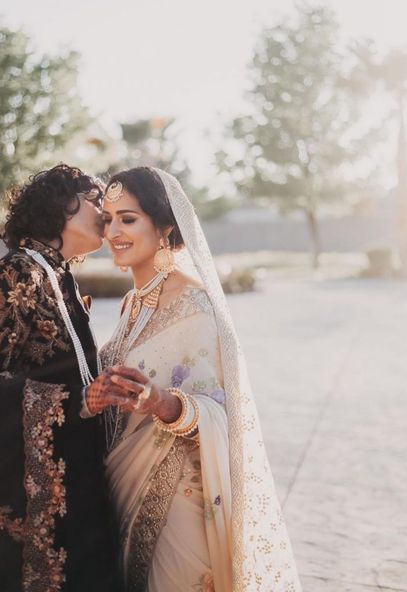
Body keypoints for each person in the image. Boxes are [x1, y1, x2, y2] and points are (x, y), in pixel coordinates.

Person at [99, 167, 302, 592]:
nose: (113, 230)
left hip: (178, 500)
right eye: (108, 218)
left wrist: (160, 403)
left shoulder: (196, 305)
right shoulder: (131, 303)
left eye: (128, 218)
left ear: (165, 226)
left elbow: (220, 415)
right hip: (122, 491)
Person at [0, 164, 127, 592]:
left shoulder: (56, 274)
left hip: (73, 467)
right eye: (94, 200)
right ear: (60, 206)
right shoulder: (15, 272)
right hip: (33, 487)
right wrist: (79, 401)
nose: (105, 212)